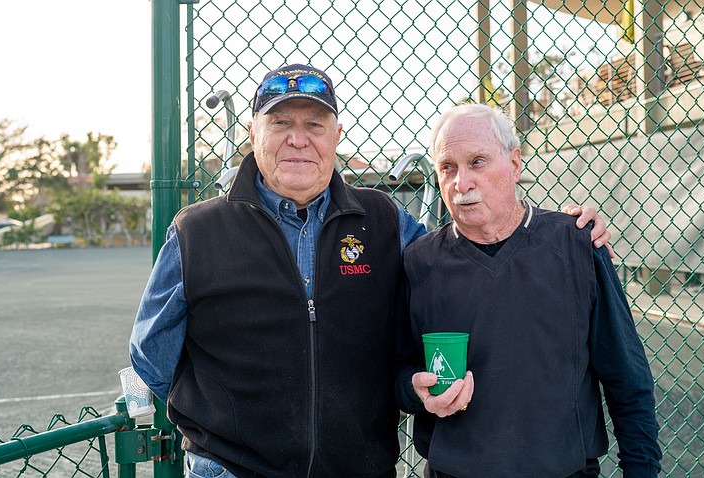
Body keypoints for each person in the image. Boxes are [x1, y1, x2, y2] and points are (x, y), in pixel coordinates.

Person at [129, 64, 612, 478]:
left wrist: (558, 231)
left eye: (315, 125)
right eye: (280, 123)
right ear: (253, 134)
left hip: (360, 466)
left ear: (336, 136)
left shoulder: (383, 220)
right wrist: (228, 421)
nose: (299, 139)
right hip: (234, 469)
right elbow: (153, 357)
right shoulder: (198, 231)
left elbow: (467, 251)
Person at [396, 103, 662, 477]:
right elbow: (398, 373)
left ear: (515, 164)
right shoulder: (419, 262)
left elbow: (627, 377)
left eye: (477, 162)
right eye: (448, 167)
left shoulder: (577, 245)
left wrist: (642, 469)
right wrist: (416, 390)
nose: (461, 183)